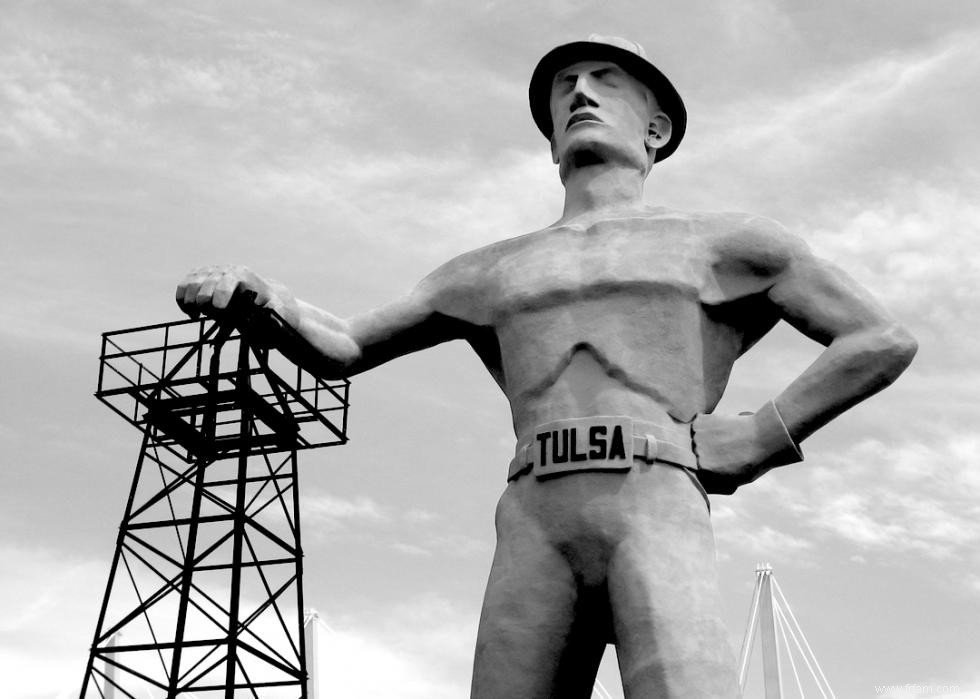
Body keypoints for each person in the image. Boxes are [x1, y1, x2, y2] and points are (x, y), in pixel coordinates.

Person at [176, 35, 916, 699]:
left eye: (604, 81)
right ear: (550, 140)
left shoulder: (722, 244)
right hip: (533, 518)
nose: (580, 94)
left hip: (654, 506)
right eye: (565, 89)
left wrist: (761, 434)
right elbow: (344, 345)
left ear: (655, 130)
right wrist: (263, 299)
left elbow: (877, 337)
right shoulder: (489, 271)